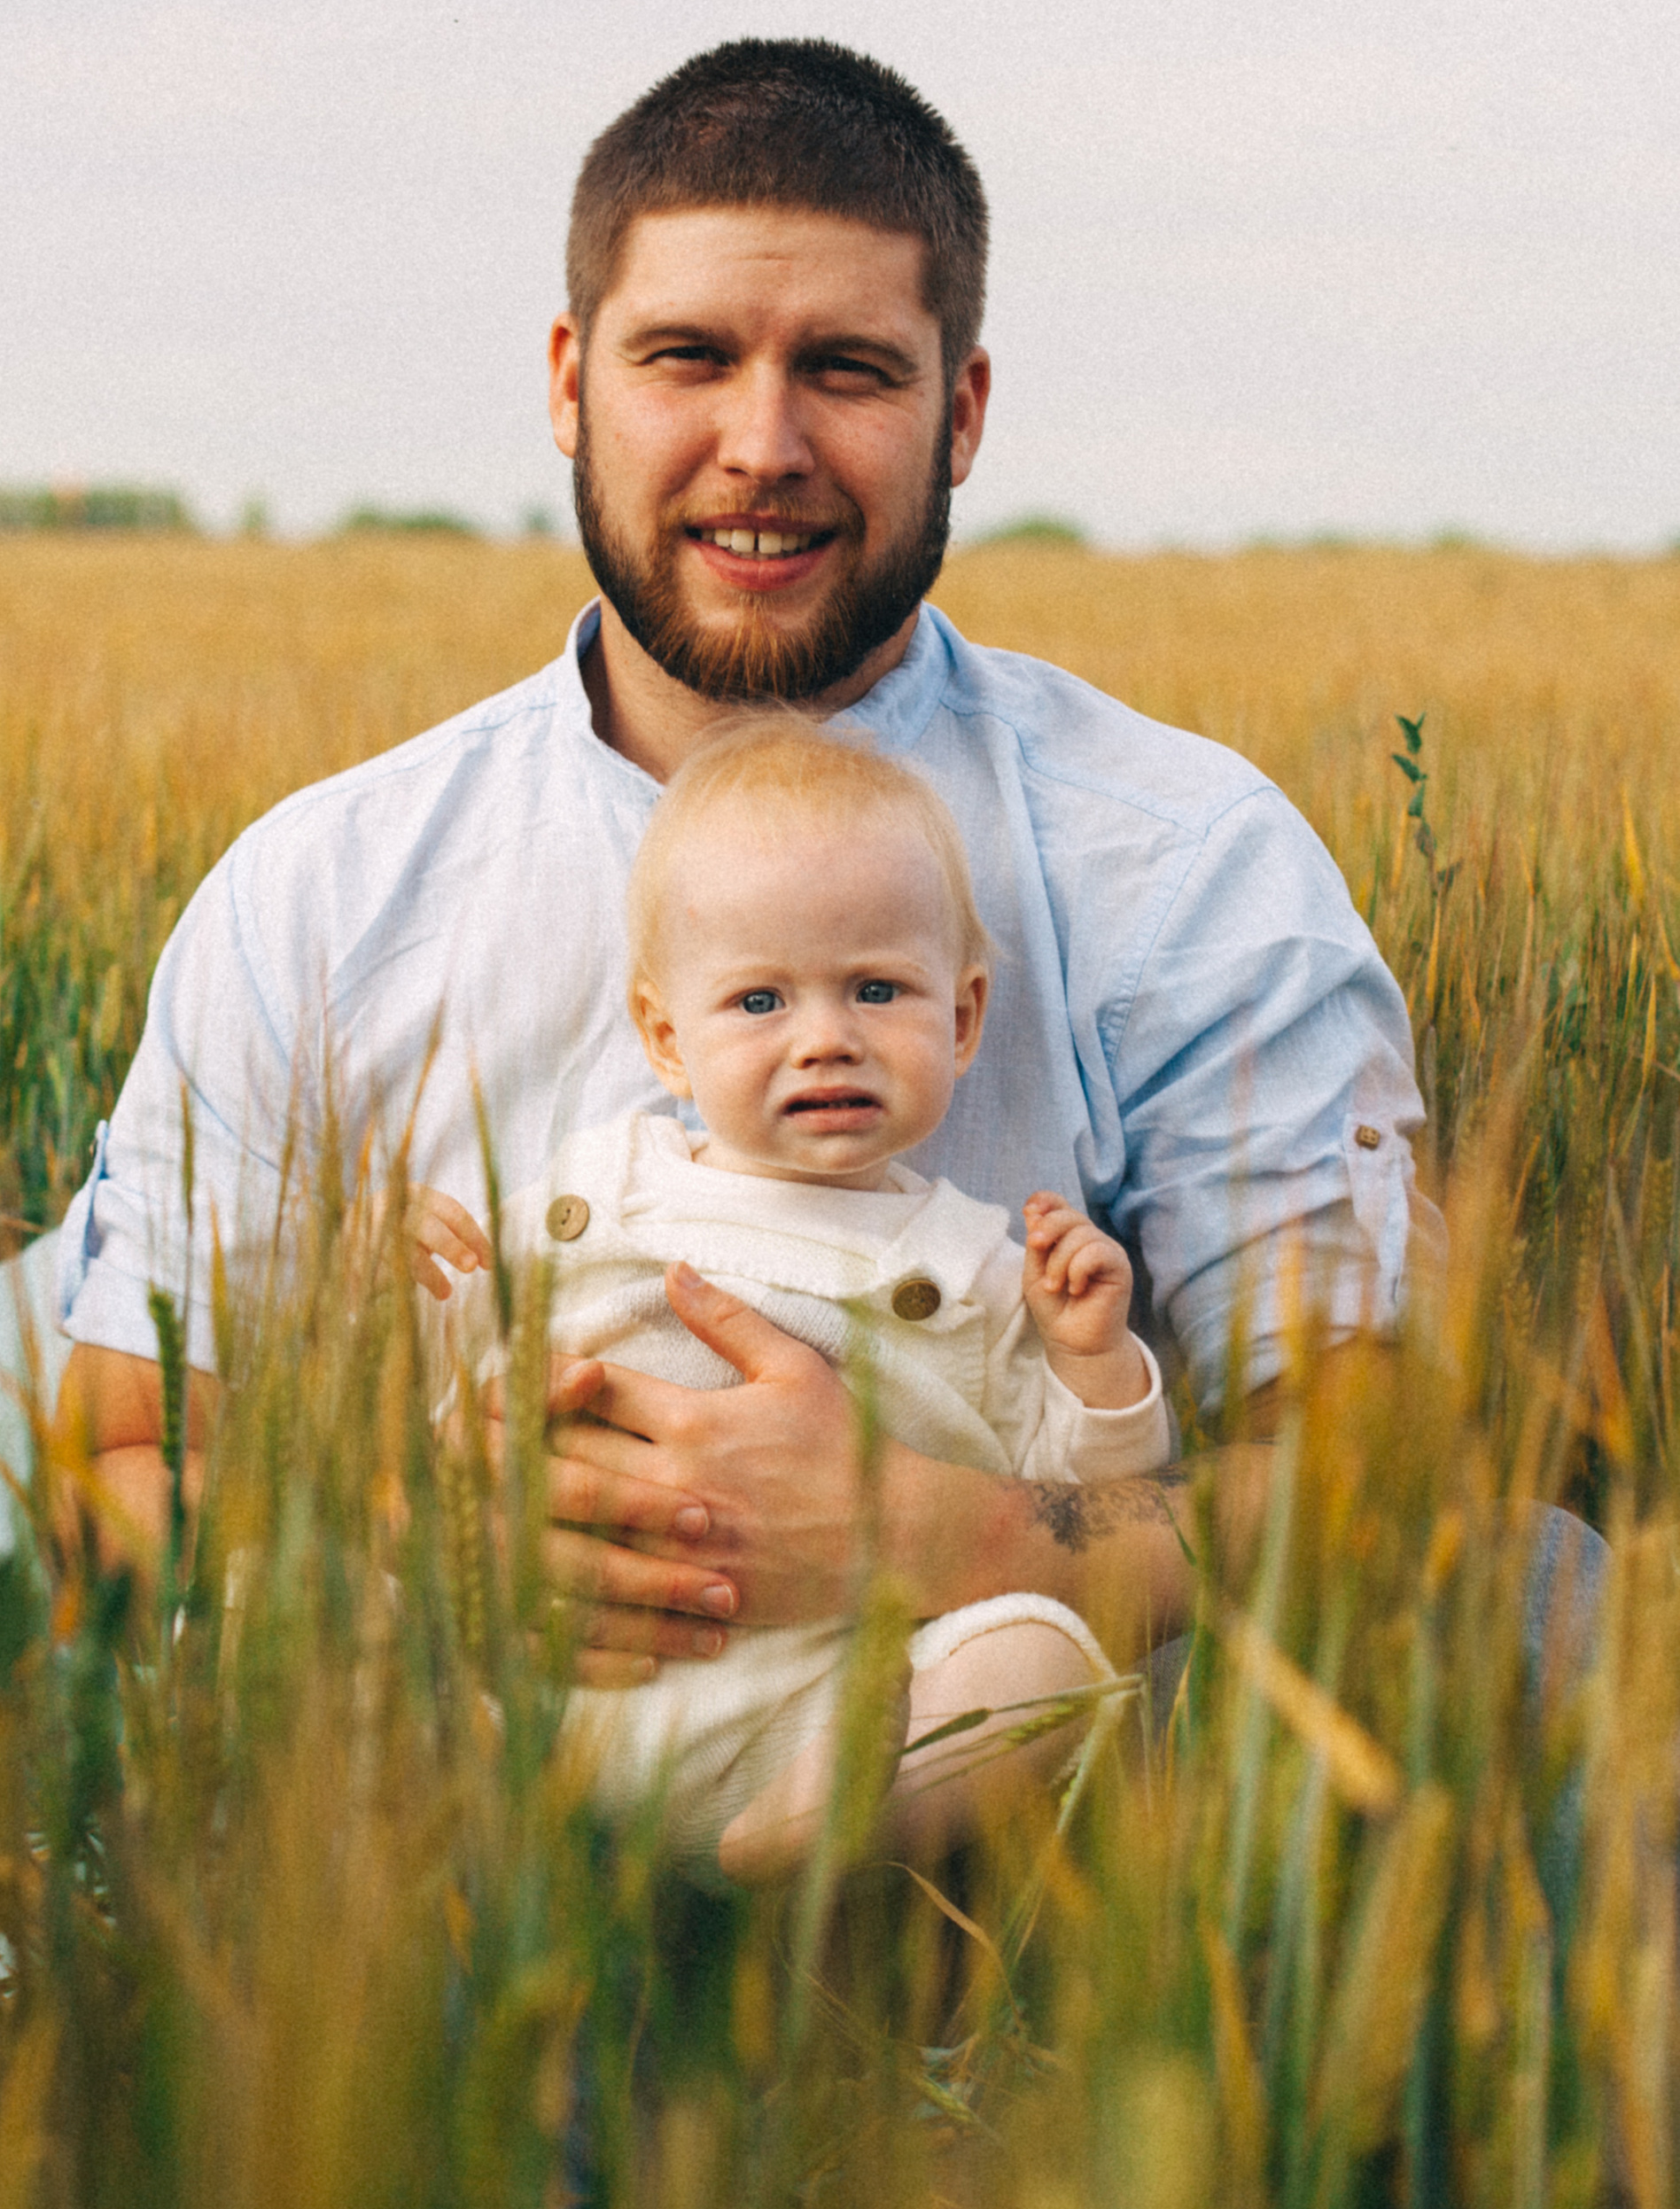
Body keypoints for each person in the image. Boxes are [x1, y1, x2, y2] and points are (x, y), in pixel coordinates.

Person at [53, 34, 1432, 1687]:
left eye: (847, 368)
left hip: (1047, 1842)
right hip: (447, 1865)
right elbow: (115, 1472)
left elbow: (1383, 1504)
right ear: (570, 383)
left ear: (963, 409)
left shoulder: (1187, 876)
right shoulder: (324, 896)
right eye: (687, 356)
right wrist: (405, 1544)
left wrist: (917, 1535)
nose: (763, 444)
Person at [416, 712, 1171, 1881]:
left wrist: (1098, 1363)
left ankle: (808, 1835)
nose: (825, 1041)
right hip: (544, 1688)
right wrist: (401, 1297)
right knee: (309, 1603)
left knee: (1051, 1653)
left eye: (876, 990)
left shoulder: (977, 1265)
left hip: (822, 1715)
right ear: (667, 1040)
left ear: (962, 1019)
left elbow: (1089, 1499)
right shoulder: (587, 1194)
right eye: (761, 1003)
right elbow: (445, 1386)